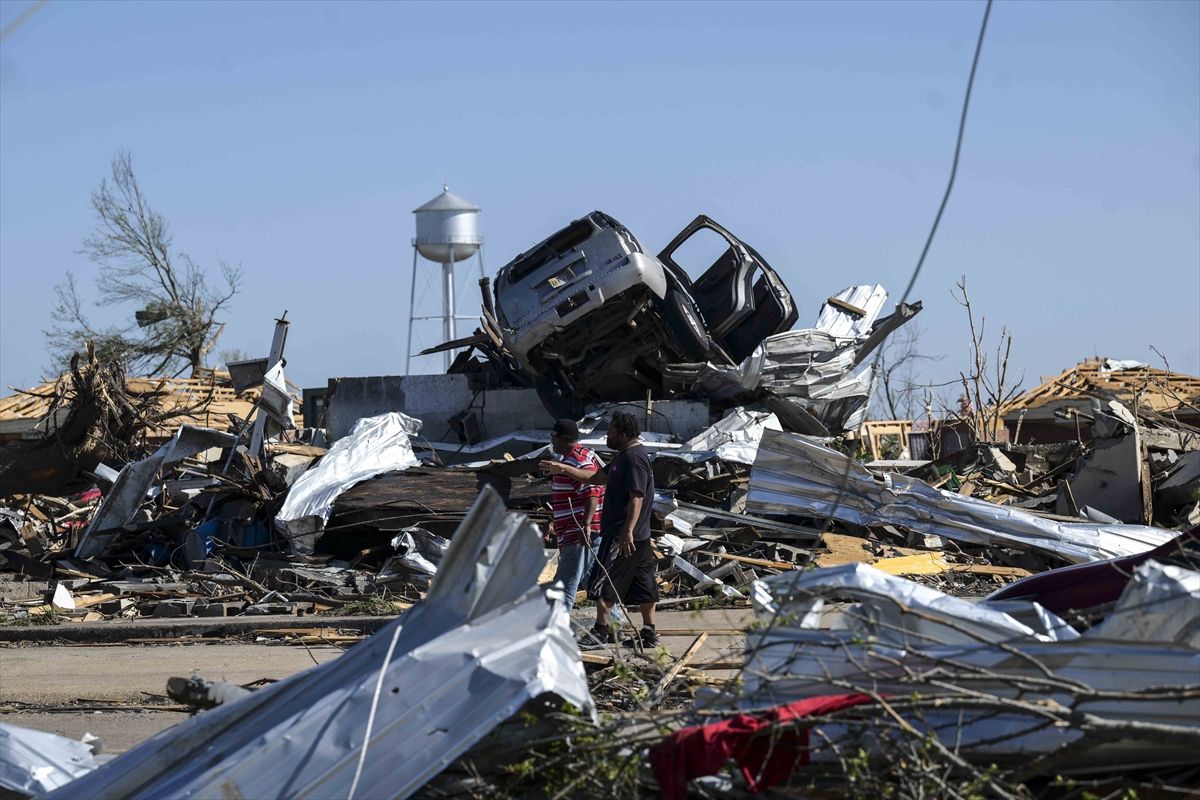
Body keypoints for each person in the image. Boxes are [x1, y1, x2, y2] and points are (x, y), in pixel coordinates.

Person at [540, 410, 658, 649]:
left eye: (611, 431)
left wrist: (627, 531)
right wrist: (562, 469)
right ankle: (648, 632)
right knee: (643, 583)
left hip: (622, 534)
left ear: (623, 434)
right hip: (635, 535)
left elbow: (637, 497)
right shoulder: (622, 457)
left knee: (603, 582)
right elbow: (596, 479)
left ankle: (600, 633)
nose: (607, 436)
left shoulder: (633, 458)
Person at [546, 418, 604, 612]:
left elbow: (593, 491)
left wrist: (585, 525)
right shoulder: (578, 455)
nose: (551, 441)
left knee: (563, 585)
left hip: (578, 533)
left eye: (553, 437)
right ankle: (615, 624)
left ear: (561, 439)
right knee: (592, 579)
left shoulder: (576, 460)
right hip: (579, 529)